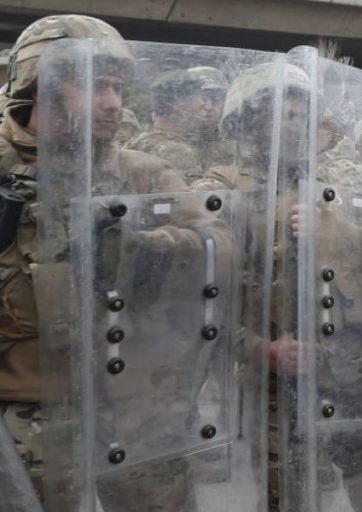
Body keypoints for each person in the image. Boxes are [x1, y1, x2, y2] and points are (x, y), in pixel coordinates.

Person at [1, 14, 225, 509]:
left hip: (137, 399)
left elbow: (222, 245)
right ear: (39, 86)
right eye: (94, 85)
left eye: (119, 87)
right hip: (28, 403)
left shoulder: (141, 172)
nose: (114, 103)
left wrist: (154, 243)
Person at [126, 66, 232, 184]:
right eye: (199, 97)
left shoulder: (137, 141)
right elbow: (192, 200)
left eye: (215, 99)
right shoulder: (178, 153)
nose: (205, 105)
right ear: (178, 104)